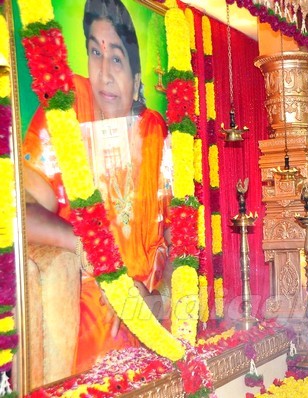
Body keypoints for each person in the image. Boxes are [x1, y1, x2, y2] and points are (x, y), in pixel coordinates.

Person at [23, 0, 169, 373]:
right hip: (83, 326)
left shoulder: (154, 132)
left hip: (150, 326)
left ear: (137, 80)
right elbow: (19, 212)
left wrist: (152, 300)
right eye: (94, 51)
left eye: (117, 59)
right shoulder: (65, 110)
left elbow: (174, 240)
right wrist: (87, 248)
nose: (103, 73)